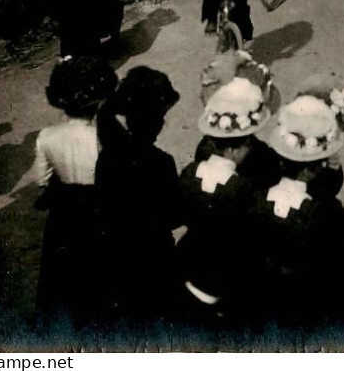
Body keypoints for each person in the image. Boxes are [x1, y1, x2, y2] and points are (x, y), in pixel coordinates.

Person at [253, 95, 344, 329]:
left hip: (270, 301)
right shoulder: (323, 213)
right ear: (315, 169)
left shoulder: (258, 200)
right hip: (313, 305)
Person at [177, 78, 272, 326]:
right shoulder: (243, 189)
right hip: (229, 274)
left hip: (191, 264)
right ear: (234, 150)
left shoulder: (190, 171)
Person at [34, 56, 118, 334]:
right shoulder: (102, 138)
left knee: (62, 279)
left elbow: (40, 181)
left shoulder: (46, 136)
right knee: (102, 276)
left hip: (65, 214)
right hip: (99, 208)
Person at [95, 67, 182, 330]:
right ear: (157, 122)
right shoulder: (161, 162)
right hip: (153, 255)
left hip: (116, 254)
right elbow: (174, 215)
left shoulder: (107, 157)